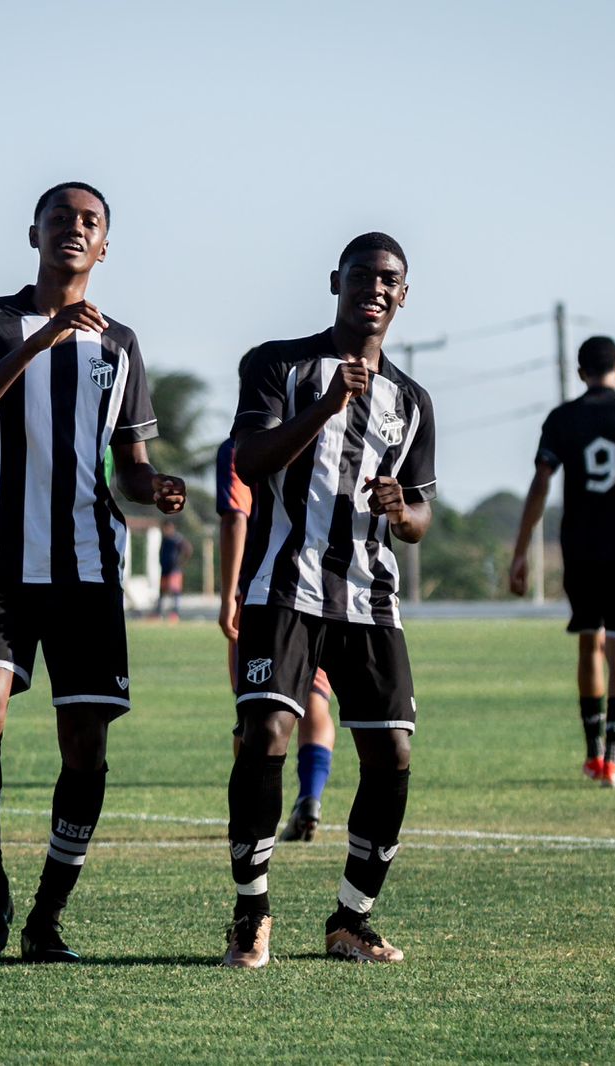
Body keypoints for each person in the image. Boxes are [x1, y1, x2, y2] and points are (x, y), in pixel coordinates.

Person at [0, 181, 186, 962]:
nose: (74, 229)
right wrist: (42, 341)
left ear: (104, 244)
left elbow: (132, 466)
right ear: (34, 233)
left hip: (87, 572)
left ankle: (46, 917)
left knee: (86, 749)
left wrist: (156, 488)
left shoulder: (120, 345)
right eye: (61, 219)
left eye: (90, 222)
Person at [222, 233, 436, 968]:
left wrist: (400, 507)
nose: (376, 289)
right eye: (364, 276)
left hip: (369, 599)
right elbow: (249, 462)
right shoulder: (278, 364)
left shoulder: (412, 401)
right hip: (282, 586)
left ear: (403, 296)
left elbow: (420, 516)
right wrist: (325, 407)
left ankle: (351, 919)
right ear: (335, 281)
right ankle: (252, 913)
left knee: (393, 752)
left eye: (391, 281)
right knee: (266, 739)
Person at [508, 335, 615, 791]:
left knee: (590, 643)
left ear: (581, 372)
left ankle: (592, 757)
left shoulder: (562, 419)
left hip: (580, 552)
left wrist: (522, 548)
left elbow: (540, 484)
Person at [215, 434, 336, 842]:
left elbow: (236, 516)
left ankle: (253, 815)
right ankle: (311, 797)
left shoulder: (240, 448)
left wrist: (230, 593)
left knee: (253, 713)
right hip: (326, 589)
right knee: (315, 699)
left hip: (265, 594)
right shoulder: (326, 436)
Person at [156, 520, 192, 621]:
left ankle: (175, 613)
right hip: (165, 569)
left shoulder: (177, 539)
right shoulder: (165, 539)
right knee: (162, 591)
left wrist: (181, 562)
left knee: (175, 591)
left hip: (174, 569)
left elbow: (188, 549)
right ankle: (158, 613)